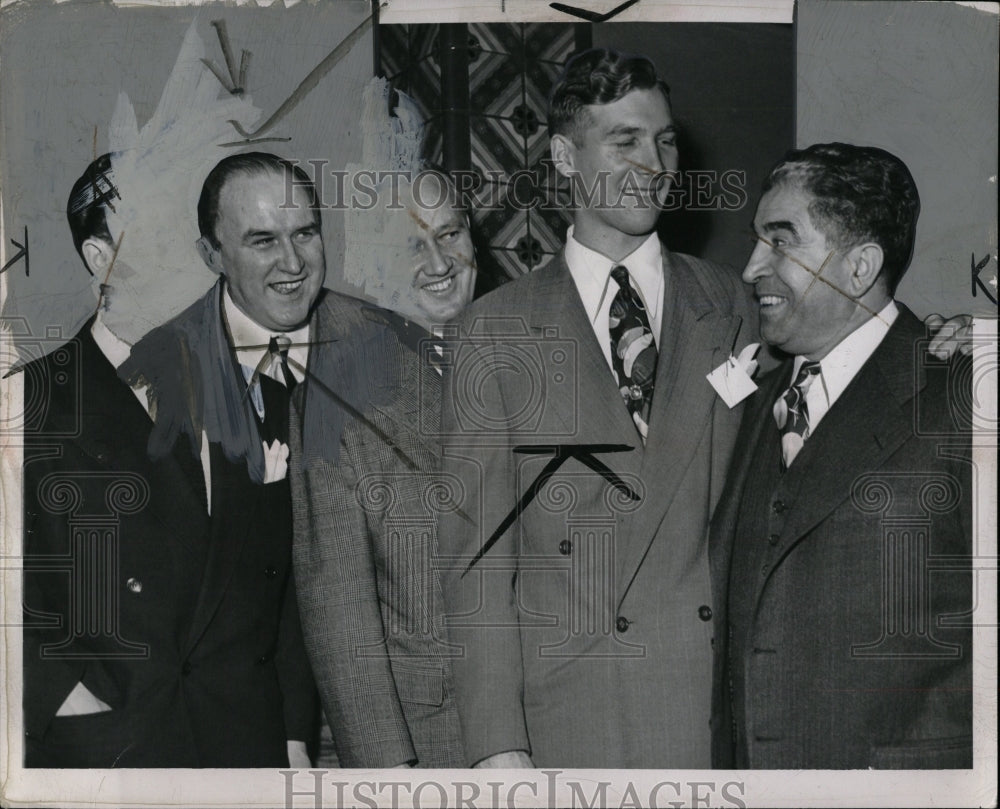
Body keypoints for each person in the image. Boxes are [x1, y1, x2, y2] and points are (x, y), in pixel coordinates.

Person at [436, 48, 973, 770]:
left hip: (720, 718)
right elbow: (475, 561)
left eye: (664, 141)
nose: (654, 163)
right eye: (623, 140)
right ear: (565, 155)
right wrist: (498, 747)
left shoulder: (746, 305)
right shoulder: (491, 331)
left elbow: (858, 349)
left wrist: (957, 337)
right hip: (569, 720)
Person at [708, 142, 972, 769]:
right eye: (756, 239)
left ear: (859, 266)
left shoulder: (968, 398)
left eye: (781, 240)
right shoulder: (749, 400)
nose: (750, 267)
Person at [113, 152, 322, 766]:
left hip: (278, 734)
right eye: (262, 240)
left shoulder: (350, 352)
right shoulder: (157, 376)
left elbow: (298, 581)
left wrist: (294, 735)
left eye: (305, 233)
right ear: (212, 256)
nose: (292, 263)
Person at [288, 169, 473, 767]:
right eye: (411, 245)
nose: (440, 260)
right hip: (432, 739)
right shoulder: (336, 394)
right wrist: (387, 774)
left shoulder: (525, 351)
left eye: (451, 233)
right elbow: (337, 606)